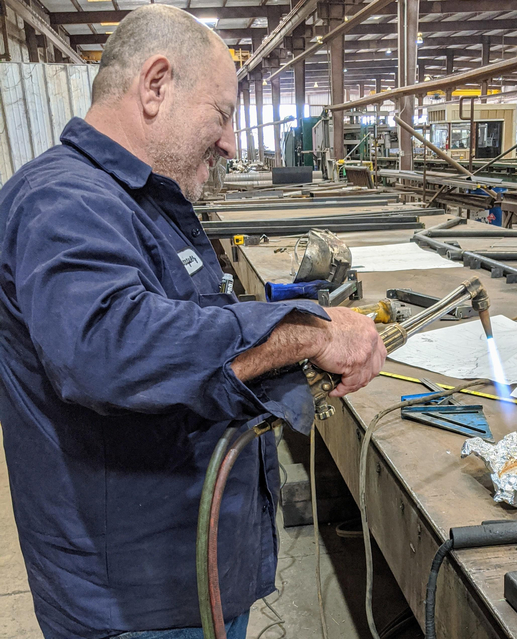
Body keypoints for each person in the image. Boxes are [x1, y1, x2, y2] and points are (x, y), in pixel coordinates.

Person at [0, 5, 387, 639]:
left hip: (183, 577)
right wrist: (308, 332)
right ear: (155, 87)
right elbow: (109, 348)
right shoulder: (62, 201)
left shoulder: (135, 201)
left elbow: (188, 323)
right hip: (134, 605)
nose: (232, 140)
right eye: (224, 113)